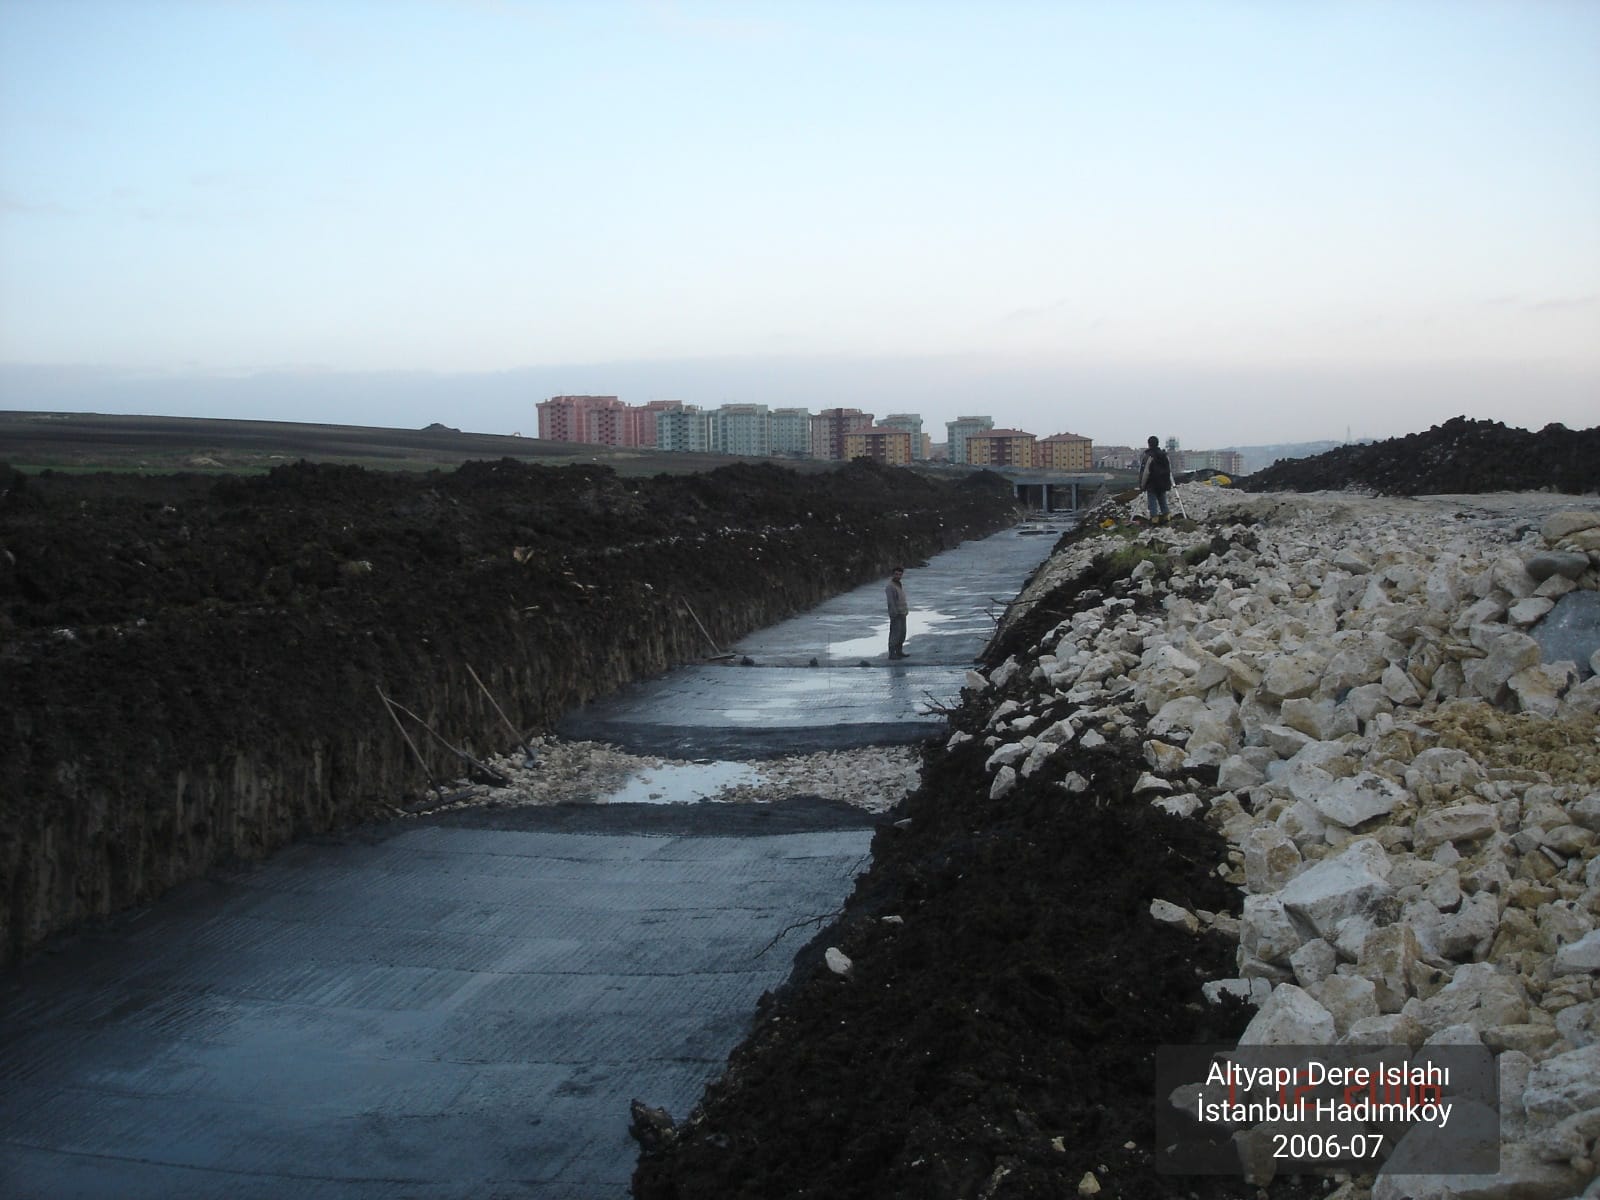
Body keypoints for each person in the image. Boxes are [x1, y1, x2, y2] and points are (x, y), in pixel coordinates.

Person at [1138, 436, 1173, 525]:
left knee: (1152, 500)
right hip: (1163, 482)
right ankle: (1166, 515)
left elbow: (1145, 472)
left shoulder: (1149, 456)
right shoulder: (1164, 456)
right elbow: (1169, 469)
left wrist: (1142, 485)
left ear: (1149, 444)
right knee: (1162, 499)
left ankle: (1154, 518)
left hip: (1152, 484)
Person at [885, 566, 909, 658]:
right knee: (895, 634)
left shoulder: (899, 584)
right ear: (893, 574)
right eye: (896, 574)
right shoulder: (890, 586)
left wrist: (906, 610)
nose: (898, 576)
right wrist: (894, 613)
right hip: (896, 614)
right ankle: (892, 654)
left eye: (900, 574)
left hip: (902, 613)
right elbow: (891, 602)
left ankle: (899, 651)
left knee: (902, 633)